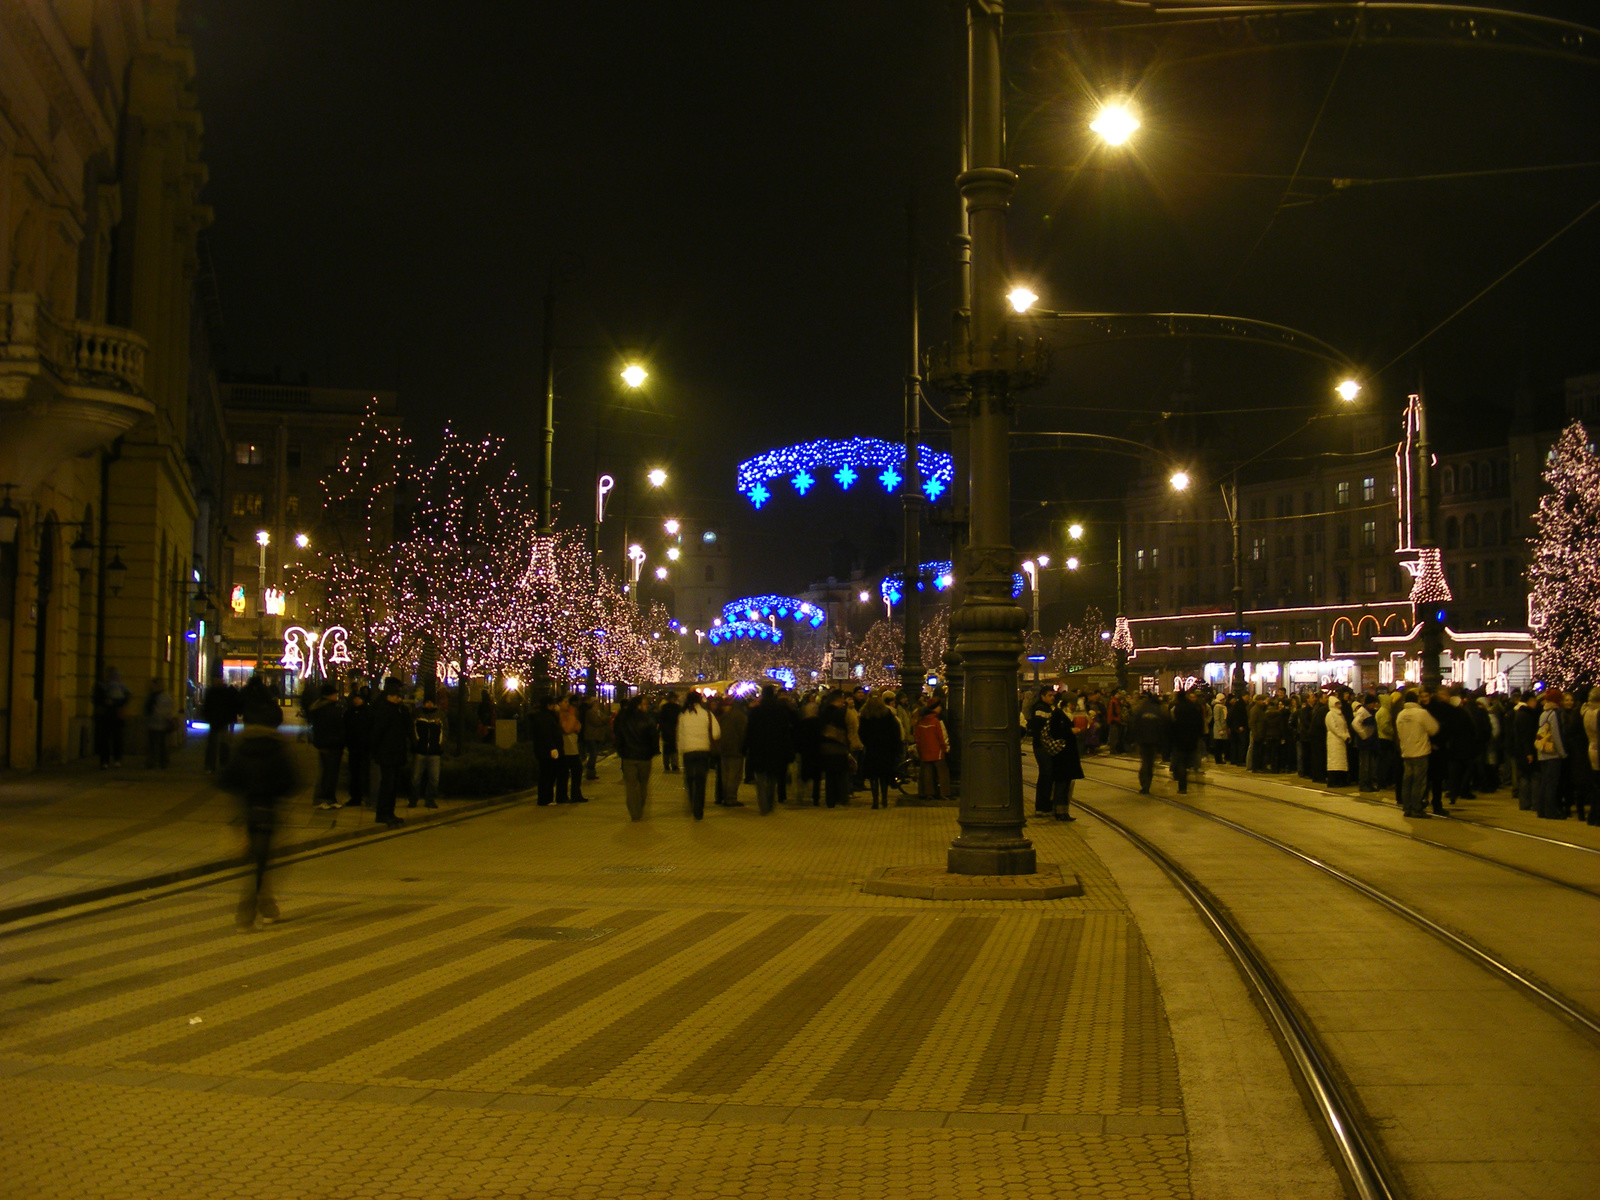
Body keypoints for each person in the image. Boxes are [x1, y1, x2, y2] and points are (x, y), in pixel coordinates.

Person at [217, 695, 299, 931]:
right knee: (265, 862)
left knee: (257, 862)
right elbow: (291, 782)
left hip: (247, 811)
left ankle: (264, 906)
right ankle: (251, 909)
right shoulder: (278, 748)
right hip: (269, 810)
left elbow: (227, 780)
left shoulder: (241, 747)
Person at [745, 686, 795, 815]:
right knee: (772, 778)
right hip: (776, 749)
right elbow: (786, 733)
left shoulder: (756, 712)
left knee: (761, 780)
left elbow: (750, 731)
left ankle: (763, 806)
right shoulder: (780, 711)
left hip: (759, 749)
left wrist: (746, 747)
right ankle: (770, 802)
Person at [370, 679, 411, 827]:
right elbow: (377, 732)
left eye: (399, 697)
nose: (398, 699)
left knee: (393, 785)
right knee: (387, 784)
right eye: (395, 696)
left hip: (397, 752)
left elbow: (405, 729)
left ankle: (390, 812)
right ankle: (382, 813)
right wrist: (375, 750)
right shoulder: (383, 709)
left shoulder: (399, 710)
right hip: (386, 753)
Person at [1395, 690, 1440, 818]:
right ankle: (1416, 807)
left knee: (1407, 780)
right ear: (1416, 700)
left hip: (1406, 752)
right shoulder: (1421, 713)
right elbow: (1434, 728)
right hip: (1420, 751)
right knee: (1418, 782)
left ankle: (1407, 807)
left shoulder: (1401, 715)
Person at [614, 695, 659, 820]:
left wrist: (621, 751)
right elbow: (653, 737)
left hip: (628, 757)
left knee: (631, 786)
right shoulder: (648, 719)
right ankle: (640, 808)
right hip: (644, 757)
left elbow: (618, 736)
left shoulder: (623, 718)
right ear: (638, 705)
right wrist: (653, 751)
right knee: (643, 784)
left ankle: (635, 813)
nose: (646, 707)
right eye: (645, 704)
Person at [677, 691, 721, 819]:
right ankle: (699, 810)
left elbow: (680, 736)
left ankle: (692, 802)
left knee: (690, 780)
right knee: (701, 781)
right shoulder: (707, 714)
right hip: (703, 751)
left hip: (688, 751)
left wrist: (681, 753)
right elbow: (716, 733)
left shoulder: (683, 715)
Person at [858, 693, 902, 810]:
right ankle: (884, 799)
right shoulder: (887, 714)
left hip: (872, 749)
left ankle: (875, 801)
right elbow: (895, 731)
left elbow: (861, 732)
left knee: (873, 776)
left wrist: (867, 743)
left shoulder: (865, 715)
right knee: (884, 775)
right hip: (885, 749)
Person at [1045, 691, 1084, 818]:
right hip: (1062, 753)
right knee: (1062, 782)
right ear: (1067, 703)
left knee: (1066, 782)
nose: (1074, 707)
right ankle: (1059, 811)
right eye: (1072, 704)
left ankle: (1063, 810)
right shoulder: (1058, 714)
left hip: (1068, 753)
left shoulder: (1066, 714)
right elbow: (1056, 732)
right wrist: (1070, 731)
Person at [309, 684, 346, 810]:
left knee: (328, 773)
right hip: (331, 744)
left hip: (329, 744)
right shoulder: (327, 709)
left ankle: (329, 798)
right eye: (335, 694)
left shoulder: (323, 708)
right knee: (329, 773)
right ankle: (324, 798)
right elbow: (327, 728)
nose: (337, 696)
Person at [1534, 690, 1568, 819]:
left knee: (1544, 783)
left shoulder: (1544, 713)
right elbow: (1556, 735)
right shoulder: (1554, 714)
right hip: (1552, 753)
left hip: (1542, 752)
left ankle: (1541, 810)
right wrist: (1562, 753)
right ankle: (1550, 811)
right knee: (1551, 784)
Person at [817, 691, 852, 808]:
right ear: (838, 700)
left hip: (826, 747)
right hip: (839, 747)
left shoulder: (823, 712)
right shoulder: (841, 713)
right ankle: (841, 798)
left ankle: (830, 800)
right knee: (841, 774)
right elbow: (845, 729)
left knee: (830, 775)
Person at [1129, 692, 1169, 794]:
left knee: (1145, 761)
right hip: (1154, 740)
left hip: (1142, 740)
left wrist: (1133, 739)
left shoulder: (1141, 709)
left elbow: (1135, 724)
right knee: (1150, 762)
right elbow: (1164, 726)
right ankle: (1147, 783)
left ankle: (1144, 783)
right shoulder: (1160, 710)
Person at [92, 665, 131, 768]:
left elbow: (126, 698)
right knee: (106, 739)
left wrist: (114, 703)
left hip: (115, 716)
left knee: (116, 739)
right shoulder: (101, 686)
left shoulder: (121, 687)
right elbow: (96, 699)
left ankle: (115, 759)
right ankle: (105, 761)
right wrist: (104, 703)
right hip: (106, 716)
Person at [1026, 687, 1057, 814]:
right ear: (1042, 696)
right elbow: (1041, 726)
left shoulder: (1049, 708)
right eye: (1049, 695)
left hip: (1045, 745)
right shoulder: (1040, 708)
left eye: (1053, 695)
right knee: (1046, 774)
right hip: (1041, 745)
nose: (1052, 697)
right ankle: (1042, 806)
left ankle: (1045, 805)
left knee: (1048, 774)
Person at [410, 697, 444, 808]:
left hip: (434, 751)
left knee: (434, 779)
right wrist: (416, 744)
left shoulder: (440, 715)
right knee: (415, 778)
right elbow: (412, 730)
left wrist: (440, 745)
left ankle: (430, 799)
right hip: (420, 751)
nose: (429, 704)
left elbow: (445, 731)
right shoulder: (417, 714)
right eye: (427, 702)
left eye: (431, 702)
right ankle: (413, 799)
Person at [912, 700, 950, 800]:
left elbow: (917, 737)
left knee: (927, 772)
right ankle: (944, 792)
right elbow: (941, 736)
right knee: (942, 772)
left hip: (924, 750)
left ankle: (928, 793)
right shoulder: (936, 721)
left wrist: (919, 749)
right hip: (937, 750)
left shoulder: (920, 721)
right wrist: (944, 747)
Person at [532, 695, 565, 806]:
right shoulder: (545, 717)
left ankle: (545, 798)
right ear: (548, 705)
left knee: (547, 774)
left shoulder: (545, 716)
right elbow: (546, 734)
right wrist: (552, 748)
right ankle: (545, 798)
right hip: (547, 751)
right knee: (548, 774)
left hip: (544, 750)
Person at [1170, 690, 1204, 794]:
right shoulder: (1193, 708)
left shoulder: (1177, 708)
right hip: (1192, 738)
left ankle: (1182, 786)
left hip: (1179, 739)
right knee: (1190, 759)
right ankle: (1190, 771)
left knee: (1181, 762)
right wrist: (1199, 735)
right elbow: (1200, 722)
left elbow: (1172, 724)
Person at [717, 694, 749, 806]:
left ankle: (726, 797)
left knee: (725, 774)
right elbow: (744, 734)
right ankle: (731, 798)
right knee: (734, 775)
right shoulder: (740, 716)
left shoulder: (726, 716)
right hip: (736, 749)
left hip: (724, 748)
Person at [344, 687, 372, 808]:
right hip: (353, 747)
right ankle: (355, 796)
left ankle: (365, 796)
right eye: (355, 698)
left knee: (364, 773)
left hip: (364, 748)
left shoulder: (368, 713)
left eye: (358, 698)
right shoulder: (349, 713)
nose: (356, 700)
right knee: (354, 773)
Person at [201, 680, 238, 772]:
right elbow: (232, 707)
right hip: (221, 721)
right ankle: (222, 764)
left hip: (216, 721)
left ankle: (211, 765)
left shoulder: (212, 693)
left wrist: (208, 717)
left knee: (214, 744)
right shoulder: (226, 693)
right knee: (222, 744)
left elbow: (207, 707)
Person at [556, 694, 586, 803]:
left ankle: (574, 794)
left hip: (572, 746)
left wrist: (573, 724)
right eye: (565, 702)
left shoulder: (567, 714)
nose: (567, 704)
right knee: (566, 773)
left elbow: (578, 727)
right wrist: (572, 718)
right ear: (559, 704)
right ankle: (563, 796)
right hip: (566, 748)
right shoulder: (560, 715)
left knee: (576, 771)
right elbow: (568, 728)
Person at [142, 678, 176, 769]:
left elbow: (167, 710)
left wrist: (165, 718)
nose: (152, 686)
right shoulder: (151, 695)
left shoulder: (164, 697)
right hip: (152, 724)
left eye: (154, 684)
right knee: (153, 745)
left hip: (160, 724)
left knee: (161, 745)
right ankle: (155, 762)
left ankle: (161, 762)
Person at [1351, 695, 1379, 792]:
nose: (1374, 705)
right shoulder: (1363, 712)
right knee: (1365, 765)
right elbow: (1355, 724)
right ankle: (1364, 784)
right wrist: (1364, 735)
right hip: (1365, 743)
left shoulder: (1369, 711)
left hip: (1371, 743)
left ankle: (1369, 783)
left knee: (1371, 765)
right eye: (1373, 703)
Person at [581, 697, 612, 781]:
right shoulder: (590, 712)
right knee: (593, 753)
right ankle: (589, 769)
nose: (597, 704)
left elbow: (605, 719)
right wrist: (603, 720)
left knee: (594, 754)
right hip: (591, 736)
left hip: (597, 736)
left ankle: (591, 772)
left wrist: (604, 719)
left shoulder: (599, 712)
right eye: (595, 702)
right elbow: (596, 722)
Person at [1324, 690, 1350, 787]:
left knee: (1341, 761)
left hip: (1341, 741)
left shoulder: (1340, 715)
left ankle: (1341, 780)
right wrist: (1343, 735)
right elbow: (1334, 728)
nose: (1339, 705)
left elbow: (1345, 726)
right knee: (1334, 760)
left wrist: (1347, 735)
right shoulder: (1330, 715)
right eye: (1337, 704)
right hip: (1334, 741)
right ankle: (1333, 780)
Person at [657, 694, 682, 772]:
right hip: (672, 730)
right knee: (672, 749)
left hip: (668, 731)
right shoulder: (677, 708)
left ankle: (668, 765)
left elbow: (660, 719)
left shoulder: (665, 707)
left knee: (669, 749)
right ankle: (672, 765)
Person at [1210, 693, 1229, 764]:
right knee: (1218, 745)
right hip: (1219, 728)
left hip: (1223, 727)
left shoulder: (1222, 707)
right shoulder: (1217, 707)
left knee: (1220, 745)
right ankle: (1218, 759)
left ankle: (1220, 759)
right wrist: (1220, 729)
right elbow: (1217, 719)